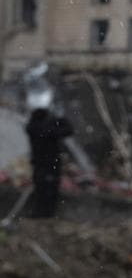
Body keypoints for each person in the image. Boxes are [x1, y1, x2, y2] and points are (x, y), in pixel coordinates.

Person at [25, 91, 73, 219]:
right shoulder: (39, 127)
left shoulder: (34, 125)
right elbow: (67, 130)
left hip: (45, 164)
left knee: (46, 191)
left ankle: (44, 214)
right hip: (47, 164)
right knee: (46, 191)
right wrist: (60, 117)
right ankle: (43, 214)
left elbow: (66, 131)